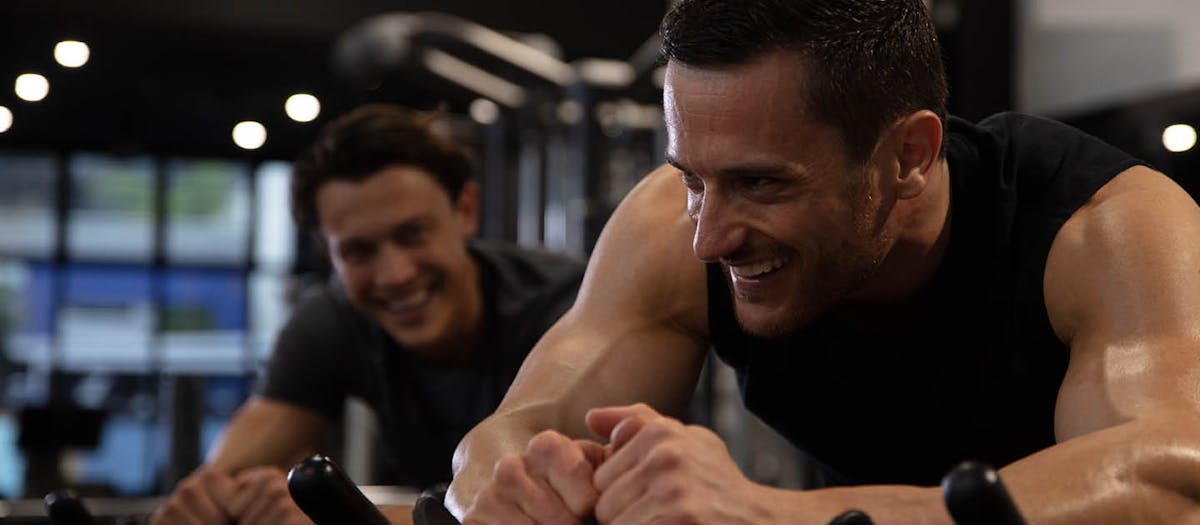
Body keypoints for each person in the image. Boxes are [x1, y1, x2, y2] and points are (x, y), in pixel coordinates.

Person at [449, 1, 1200, 523]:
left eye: (761, 182)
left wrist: (786, 515)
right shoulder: (668, 228)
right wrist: (519, 484)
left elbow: (1172, 485)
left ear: (909, 156)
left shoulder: (1102, 227)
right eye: (691, 177)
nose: (709, 238)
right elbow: (513, 432)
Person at [153, 104, 585, 524]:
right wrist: (212, 503)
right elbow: (229, 481)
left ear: (465, 211)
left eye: (413, 234)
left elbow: (573, 503)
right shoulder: (332, 319)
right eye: (358, 251)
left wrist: (346, 517)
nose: (394, 275)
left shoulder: (571, 309)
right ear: (329, 252)